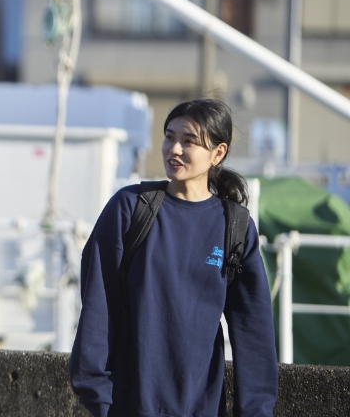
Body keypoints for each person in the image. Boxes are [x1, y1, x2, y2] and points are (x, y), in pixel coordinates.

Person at [68, 98, 278, 417]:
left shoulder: (235, 226)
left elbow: (254, 331)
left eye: (189, 141)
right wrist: (99, 397)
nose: (174, 149)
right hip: (129, 406)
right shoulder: (129, 208)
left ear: (218, 153)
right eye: (169, 136)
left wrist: (255, 410)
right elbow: (100, 303)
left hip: (203, 407)